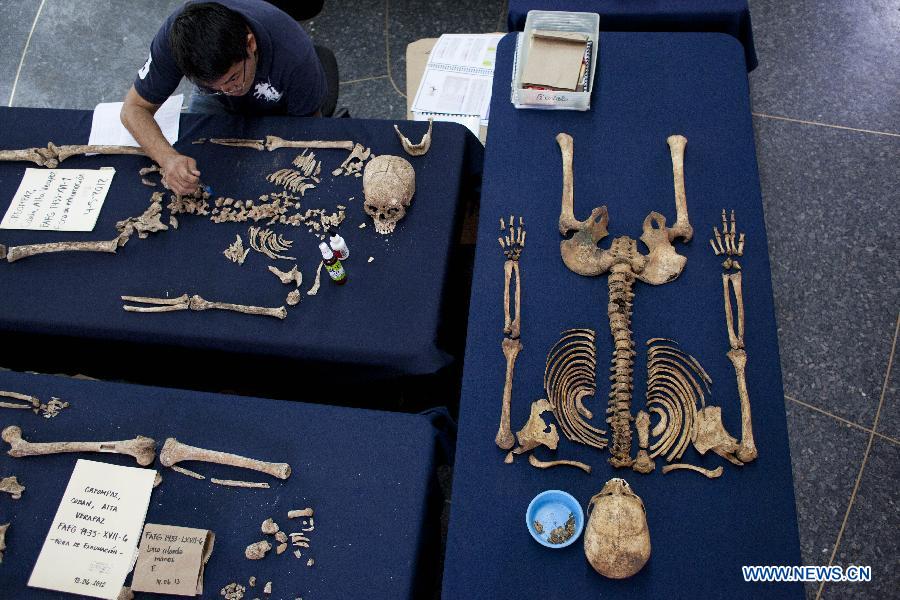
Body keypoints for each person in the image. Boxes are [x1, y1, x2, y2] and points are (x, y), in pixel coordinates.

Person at [120, 0, 328, 195]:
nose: (229, 91)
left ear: (250, 44)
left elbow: (310, 127)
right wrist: (168, 159)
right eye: (215, 85)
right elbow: (133, 109)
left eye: (233, 78)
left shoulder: (295, 56)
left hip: (280, 109)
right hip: (215, 103)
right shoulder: (175, 41)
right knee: (197, 174)